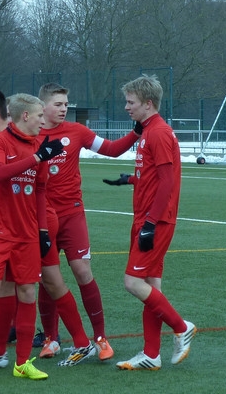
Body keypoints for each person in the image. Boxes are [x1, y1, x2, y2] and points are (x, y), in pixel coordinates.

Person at [34, 83, 141, 362]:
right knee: (48, 277)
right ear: (42, 105)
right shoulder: (31, 134)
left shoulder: (76, 131)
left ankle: (101, 338)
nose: (63, 109)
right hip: (42, 216)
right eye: (58, 104)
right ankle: (50, 338)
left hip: (72, 213)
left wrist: (136, 132)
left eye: (65, 104)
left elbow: (112, 149)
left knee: (82, 271)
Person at [0, 91, 65, 381]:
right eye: (40, 116)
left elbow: (41, 191)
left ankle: (22, 363)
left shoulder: (39, 147)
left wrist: (43, 230)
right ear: (25, 116)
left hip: (27, 235)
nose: (44, 121)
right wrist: (36, 157)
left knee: (28, 293)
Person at [104, 75, 195, 371]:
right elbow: (154, 176)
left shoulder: (158, 133)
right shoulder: (148, 132)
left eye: (131, 102)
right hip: (146, 217)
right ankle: (151, 354)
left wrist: (151, 223)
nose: (127, 107)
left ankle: (181, 327)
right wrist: (130, 179)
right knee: (150, 286)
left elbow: (168, 182)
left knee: (132, 282)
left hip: (154, 220)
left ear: (148, 103)